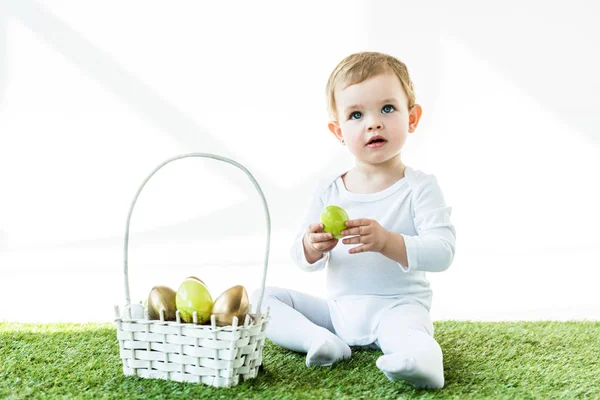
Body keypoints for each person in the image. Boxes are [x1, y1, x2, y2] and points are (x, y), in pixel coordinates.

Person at [252, 51, 456, 389]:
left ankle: (421, 363)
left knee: (410, 334)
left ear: (412, 118)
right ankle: (319, 341)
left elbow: (443, 251)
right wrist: (311, 245)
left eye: (387, 109)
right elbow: (301, 257)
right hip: (338, 313)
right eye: (356, 114)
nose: (373, 122)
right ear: (339, 131)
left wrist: (388, 242)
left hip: (398, 309)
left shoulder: (419, 187)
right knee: (262, 299)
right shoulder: (330, 189)